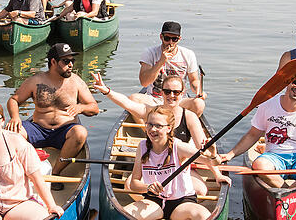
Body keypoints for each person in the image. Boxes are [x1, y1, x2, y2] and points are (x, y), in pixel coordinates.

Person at [91, 72, 229, 194]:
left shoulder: (189, 117)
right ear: (161, 92)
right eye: (167, 91)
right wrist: (106, 90)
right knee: (129, 186)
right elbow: (127, 104)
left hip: (179, 166)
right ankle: (157, 201)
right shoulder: (152, 111)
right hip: (153, 166)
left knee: (201, 190)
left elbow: (204, 149)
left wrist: (217, 174)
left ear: (182, 93)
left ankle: (166, 200)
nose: (171, 95)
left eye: (176, 92)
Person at [216, 69, 296, 189]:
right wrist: (230, 155)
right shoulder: (267, 104)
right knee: (259, 165)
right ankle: (287, 191)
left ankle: (287, 192)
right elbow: (253, 135)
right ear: (288, 83)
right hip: (275, 156)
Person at [7, 43, 99, 179]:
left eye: (72, 61)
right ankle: (24, 172)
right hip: (37, 128)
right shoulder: (35, 81)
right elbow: (14, 100)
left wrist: (81, 107)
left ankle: (56, 172)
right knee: (11, 133)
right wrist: (15, 117)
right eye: (66, 61)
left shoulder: (76, 82)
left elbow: (94, 108)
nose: (71, 65)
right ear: (53, 62)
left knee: (80, 132)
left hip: (64, 130)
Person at [122, 106, 212, 220]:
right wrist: (148, 187)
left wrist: (212, 155)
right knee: (122, 217)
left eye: (158, 126)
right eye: (149, 124)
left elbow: (212, 161)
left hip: (181, 203)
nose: (152, 129)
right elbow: (134, 184)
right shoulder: (142, 147)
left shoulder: (179, 146)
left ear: (169, 128)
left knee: (204, 217)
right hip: (154, 202)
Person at [134, 21, 206, 115]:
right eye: (167, 38)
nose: (170, 43)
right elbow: (144, 82)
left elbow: (194, 80)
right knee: (133, 99)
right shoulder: (150, 52)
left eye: (174, 39)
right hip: (155, 100)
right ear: (161, 37)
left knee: (199, 104)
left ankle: (183, 124)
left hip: (179, 101)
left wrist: (198, 90)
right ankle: (148, 127)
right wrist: (161, 62)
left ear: (179, 39)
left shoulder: (188, 54)